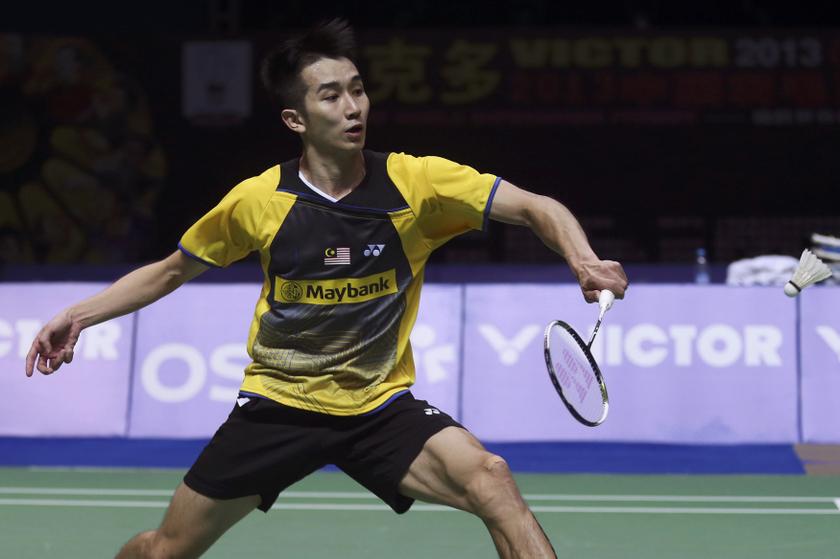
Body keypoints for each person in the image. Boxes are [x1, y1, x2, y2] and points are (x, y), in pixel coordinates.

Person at [25, 19, 628, 559]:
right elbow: (170, 270)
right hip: (278, 405)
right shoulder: (260, 200)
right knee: (165, 551)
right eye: (331, 94)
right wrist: (78, 315)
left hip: (377, 407)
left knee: (491, 479)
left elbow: (534, 207)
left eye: (358, 88)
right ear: (296, 118)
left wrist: (582, 258)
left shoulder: (416, 184)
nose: (352, 106)